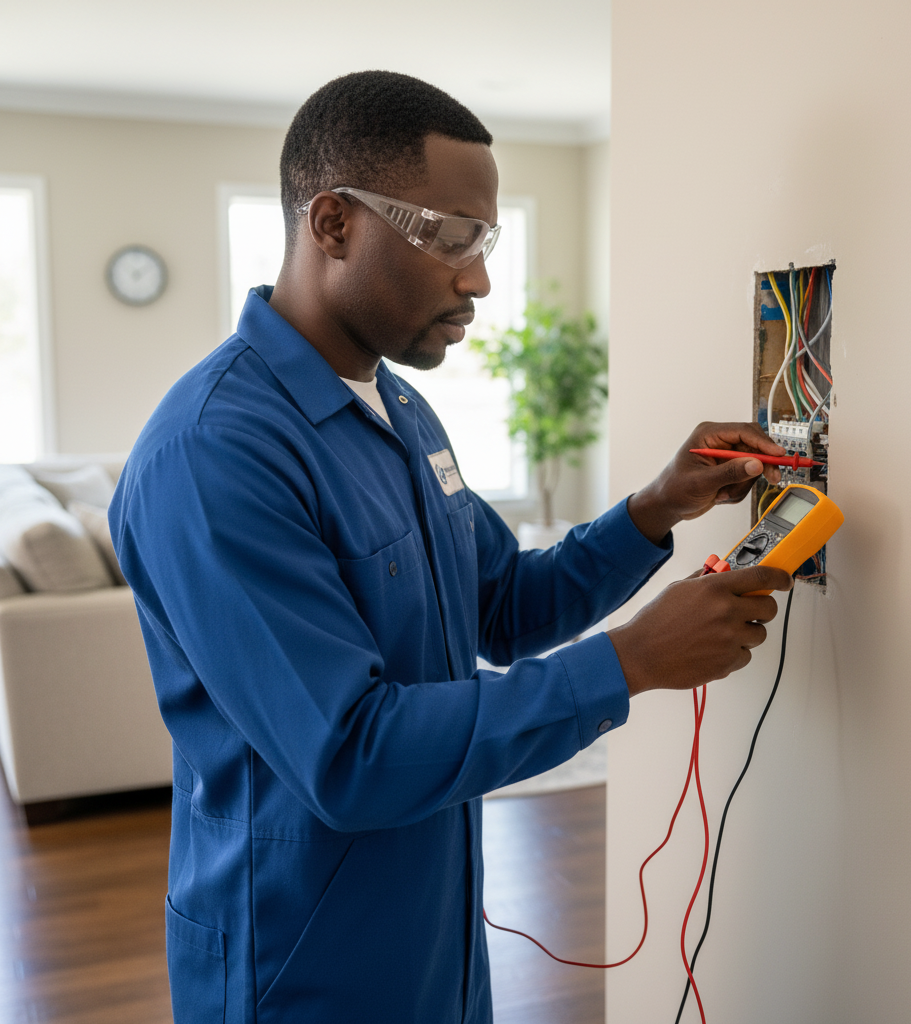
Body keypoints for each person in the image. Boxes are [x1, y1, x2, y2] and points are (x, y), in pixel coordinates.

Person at [109, 70, 792, 1024]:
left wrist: (654, 509)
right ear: (334, 223)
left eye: (487, 240)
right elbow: (348, 755)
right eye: (451, 237)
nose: (477, 278)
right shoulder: (215, 453)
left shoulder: (401, 409)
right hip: (297, 966)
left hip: (436, 941)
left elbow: (504, 607)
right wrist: (629, 663)